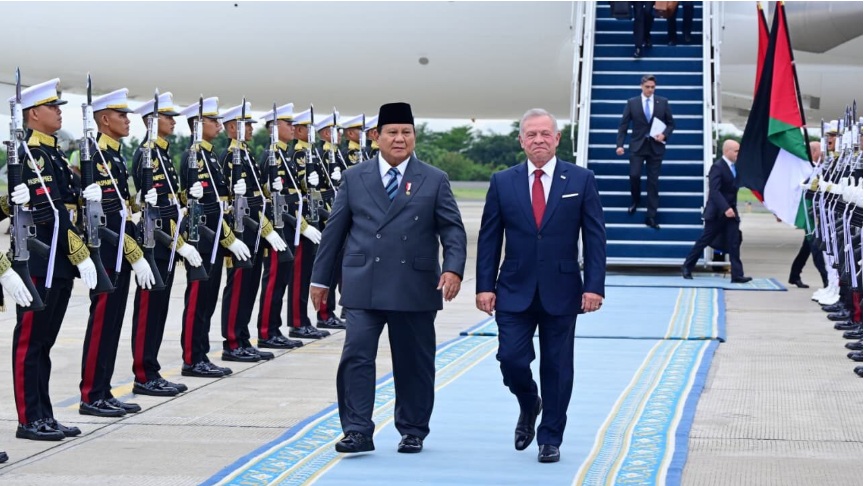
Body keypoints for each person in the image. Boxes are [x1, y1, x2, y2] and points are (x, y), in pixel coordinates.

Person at [310, 102, 467, 454]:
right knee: (356, 358)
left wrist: (453, 268)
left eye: (406, 133)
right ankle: (357, 430)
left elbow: (452, 231)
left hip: (414, 284)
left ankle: (412, 429)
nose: (400, 139)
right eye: (392, 133)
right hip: (363, 281)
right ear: (376, 137)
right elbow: (334, 233)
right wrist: (320, 280)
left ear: (414, 137)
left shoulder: (434, 178)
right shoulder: (354, 177)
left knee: (414, 361)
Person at [475, 108, 606, 464]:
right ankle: (529, 401)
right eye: (531, 135)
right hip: (513, 289)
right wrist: (484, 286)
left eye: (545, 134)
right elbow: (489, 239)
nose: (538, 140)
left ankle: (550, 437)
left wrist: (594, 286)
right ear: (521, 141)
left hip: (563, 289)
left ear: (557, 138)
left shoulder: (580, 180)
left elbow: (595, 238)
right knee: (511, 359)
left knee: (558, 367)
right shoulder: (503, 181)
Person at [10, 78, 100, 441]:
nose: (60, 112)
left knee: (44, 344)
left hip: (56, 264)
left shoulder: (55, 153)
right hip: (39, 263)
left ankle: (44, 414)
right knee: (30, 344)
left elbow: (65, 205)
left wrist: (86, 191)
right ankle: (28, 418)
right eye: (53, 107)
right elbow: (50, 214)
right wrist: (80, 253)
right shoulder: (32, 153)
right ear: (34, 114)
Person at [79, 88, 156, 417]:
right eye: (121, 115)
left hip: (119, 254)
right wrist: (133, 251)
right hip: (105, 254)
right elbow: (98, 215)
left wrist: (143, 203)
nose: (128, 120)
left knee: (112, 325)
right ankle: (91, 394)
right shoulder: (93, 156)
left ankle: (104, 390)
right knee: (102, 323)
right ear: (104, 119)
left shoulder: (115, 156)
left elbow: (122, 208)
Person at [131, 91, 203, 396]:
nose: (174, 122)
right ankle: (144, 374)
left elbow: (171, 201)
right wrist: (181, 242)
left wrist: (190, 195)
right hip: (154, 244)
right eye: (168, 116)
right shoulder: (146, 153)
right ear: (152, 121)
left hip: (167, 246)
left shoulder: (161, 152)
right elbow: (154, 211)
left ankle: (152, 369)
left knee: (158, 311)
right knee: (149, 312)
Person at [178, 97, 251, 376]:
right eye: (212, 120)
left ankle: (201, 355)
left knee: (207, 301)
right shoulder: (192, 156)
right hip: (201, 238)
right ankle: (192, 358)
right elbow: (195, 203)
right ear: (198, 125)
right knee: (197, 301)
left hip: (215, 238)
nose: (218, 124)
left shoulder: (209, 155)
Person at [218, 102, 289, 362]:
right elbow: (230, 203)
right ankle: (232, 343)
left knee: (248, 287)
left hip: (255, 230)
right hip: (239, 231)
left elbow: (258, 196)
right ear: (232, 127)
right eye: (246, 125)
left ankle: (243, 338)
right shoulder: (228, 158)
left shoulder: (247, 154)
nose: (250, 129)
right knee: (237, 286)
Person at [254, 102, 305, 350]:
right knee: (273, 280)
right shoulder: (269, 156)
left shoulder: (286, 155)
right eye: (288, 124)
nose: (293, 128)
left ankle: (274, 329)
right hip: (275, 226)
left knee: (282, 280)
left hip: (289, 225)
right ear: (274, 128)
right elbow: (263, 196)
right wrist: (270, 231)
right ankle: (266, 331)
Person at [682, 140, 751, 283]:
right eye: (736, 151)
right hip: (717, 213)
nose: (739, 154)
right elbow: (714, 191)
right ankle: (687, 266)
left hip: (731, 212)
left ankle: (737, 274)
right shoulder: (717, 167)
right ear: (727, 151)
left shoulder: (735, 167)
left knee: (734, 241)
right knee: (704, 240)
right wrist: (725, 208)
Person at [287, 108, 329, 340]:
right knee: (300, 274)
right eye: (307, 128)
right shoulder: (297, 154)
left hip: (313, 217)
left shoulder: (311, 153)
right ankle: (296, 321)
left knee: (308, 274)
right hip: (301, 221)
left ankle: (303, 319)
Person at [616, 74, 675, 229]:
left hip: (656, 146)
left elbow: (671, 123)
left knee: (653, 181)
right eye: (647, 87)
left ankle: (651, 215)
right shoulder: (632, 103)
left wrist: (664, 135)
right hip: (637, 145)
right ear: (641, 86)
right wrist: (620, 144)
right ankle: (635, 200)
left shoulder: (662, 102)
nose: (650, 90)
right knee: (634, 175)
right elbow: (623, 125)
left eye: (652, 87)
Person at [787, 141, 828, 289]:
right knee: (816, 249)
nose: (823, 154)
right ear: (815, 152)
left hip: (814, 214)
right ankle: (826, 280)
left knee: (807, 247)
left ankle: (794, 275)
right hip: (810, 215)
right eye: (821, 151)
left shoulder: (816, 168)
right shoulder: (807, 169)